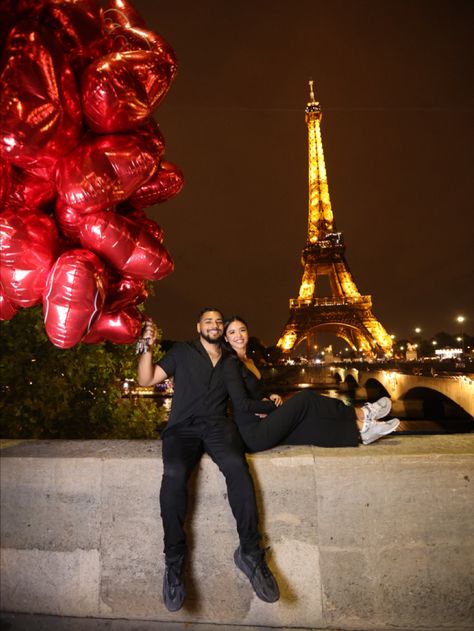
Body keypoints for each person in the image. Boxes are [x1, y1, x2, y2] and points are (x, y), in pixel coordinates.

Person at [137, 308, 279, 612]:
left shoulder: (230, 360)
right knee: (174, 474)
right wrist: (147, 347)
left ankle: (250, 552)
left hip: (218, 426)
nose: (215, 325)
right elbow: (146, 379)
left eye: (219, 322)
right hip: (182, 429)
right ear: (198, 326)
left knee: (238, 469)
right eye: (209, 321)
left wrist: (269, 402)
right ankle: (174, 560)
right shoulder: (182, 352)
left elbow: (248, 393)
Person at [222, 316, 400, 452]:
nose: (239, 335)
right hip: (253, 433)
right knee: (305, 398)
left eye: (242, 330)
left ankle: (360, 430)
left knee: (309, 424)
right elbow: (241, 404)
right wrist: (270, 406)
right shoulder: (230, 363)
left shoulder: (249, 361)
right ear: (226, 338)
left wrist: (269, 396)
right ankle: (361, 412)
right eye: (232, 332)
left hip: (263, 424)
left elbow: (253, 392)